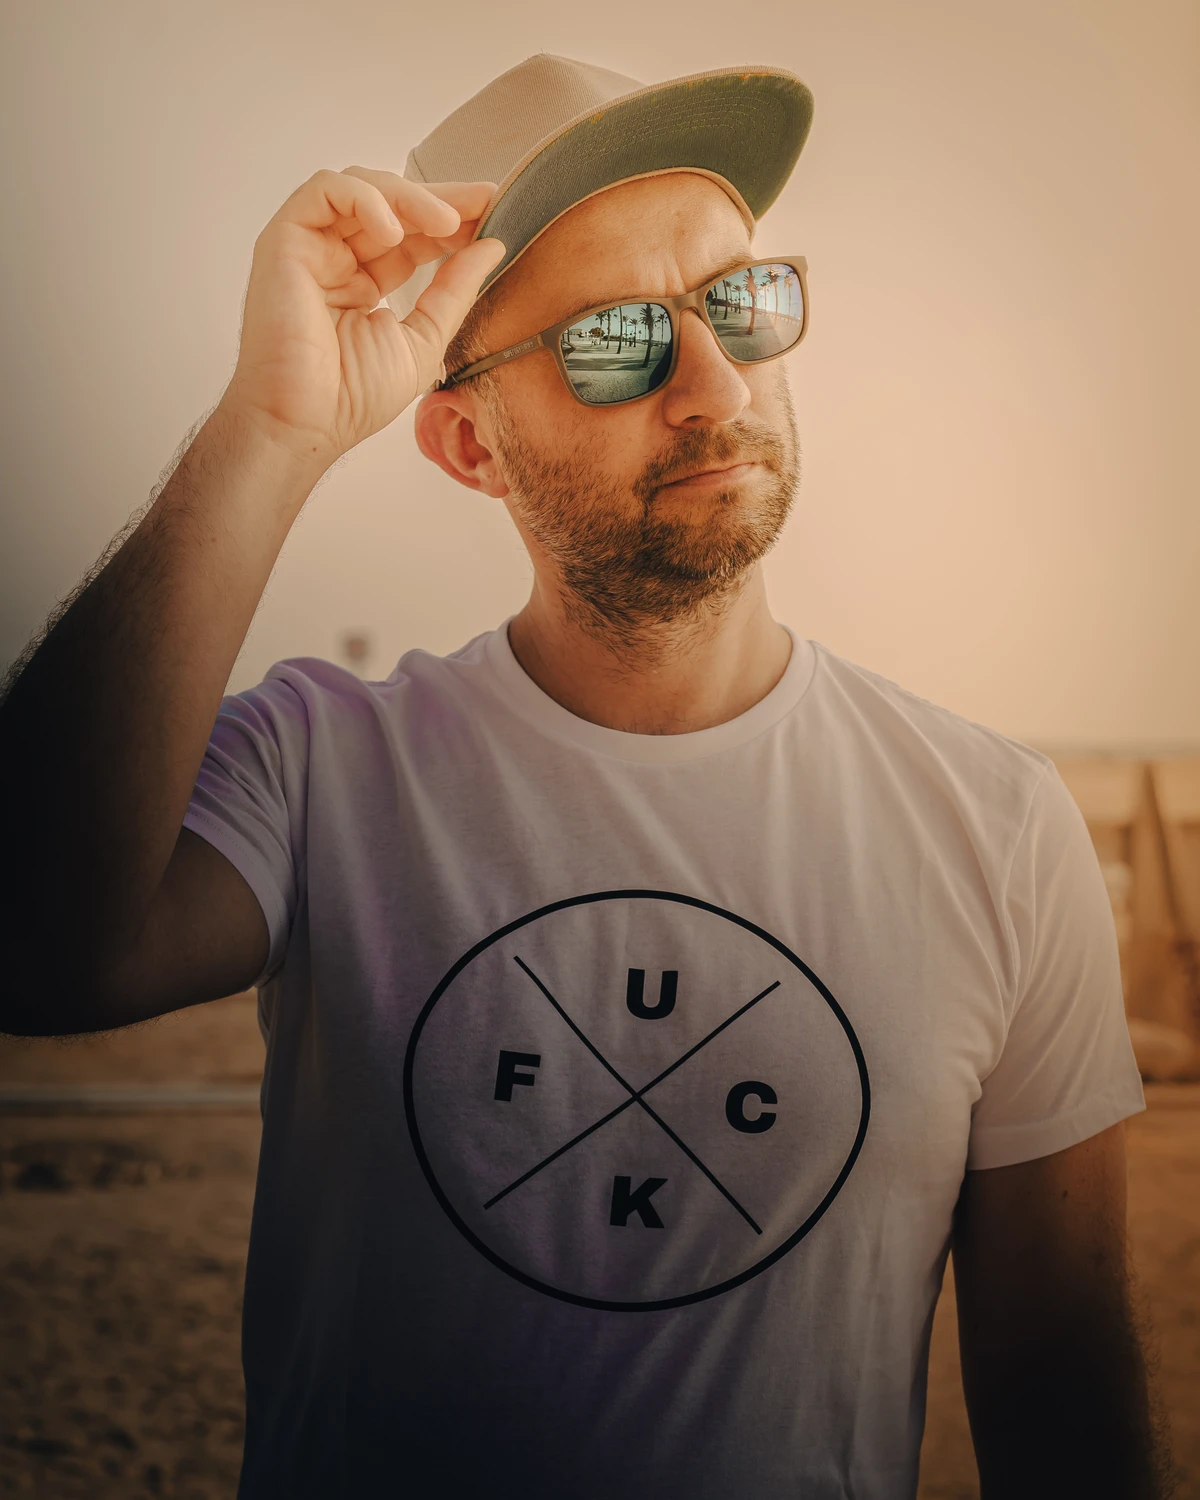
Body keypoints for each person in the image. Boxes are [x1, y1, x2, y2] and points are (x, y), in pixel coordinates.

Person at [0, 51, 1176, 1500]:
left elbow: (1060, 1382)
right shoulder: (324, 771)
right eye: (619, 338)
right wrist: (272, 429)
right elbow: (36, 947)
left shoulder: (996, 825)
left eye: (740, 302)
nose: (713, 382)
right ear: (463, 441)